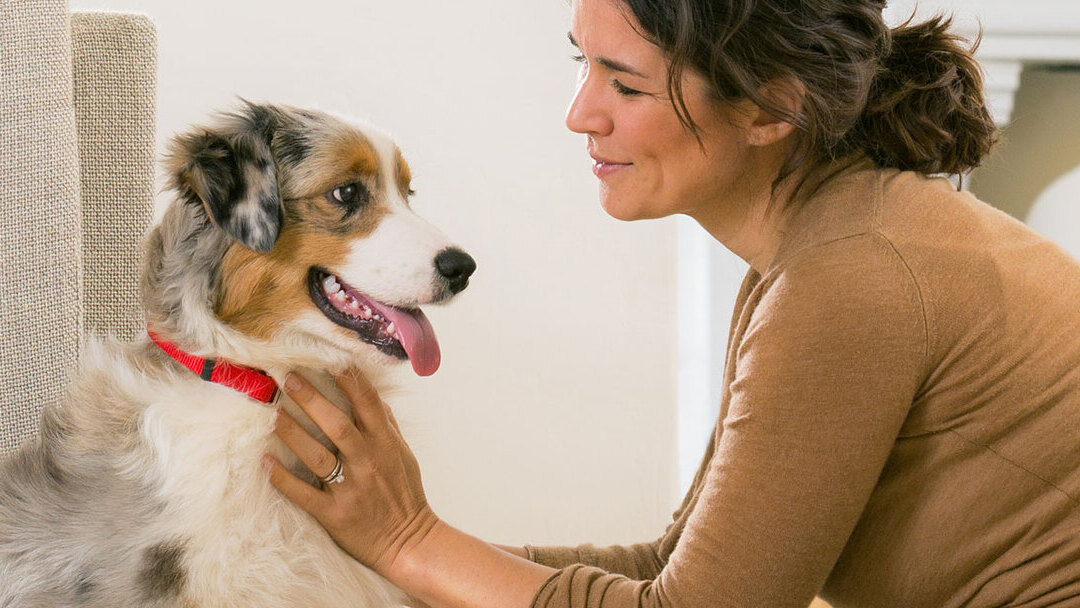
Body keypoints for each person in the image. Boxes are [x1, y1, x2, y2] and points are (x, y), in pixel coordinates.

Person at [263, 0, 1080, 606]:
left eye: (624, 83)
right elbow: (675, 564)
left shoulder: (848, 278)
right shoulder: (828, 244)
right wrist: (371, 561)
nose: (580, 113)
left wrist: (408, 540)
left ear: (769, 108)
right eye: (581, 63)